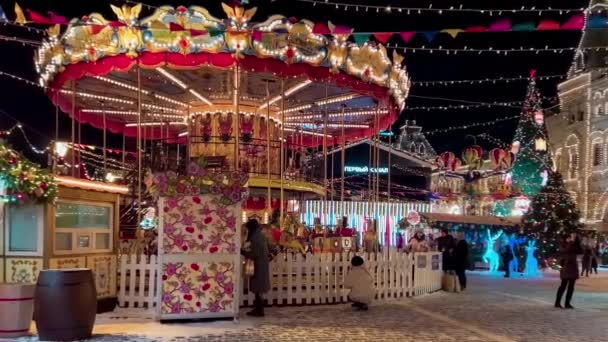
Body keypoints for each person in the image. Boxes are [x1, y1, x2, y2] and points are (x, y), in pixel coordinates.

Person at [241, 219, 270, 317]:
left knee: (258, 287)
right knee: (258, 287)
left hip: (258, 265)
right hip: (261, 264)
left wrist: (244, 252)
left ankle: (259, 309)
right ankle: (258, 308)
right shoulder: (259, 235)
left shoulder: (256, 237)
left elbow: (254, 253)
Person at [555, 232, 583, 309]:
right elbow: (566, 250)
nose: (572, 237)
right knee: (563, 285)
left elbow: (580, 251)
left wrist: (576, 241)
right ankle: (557, 302)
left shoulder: (576, 245)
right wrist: (571, 242)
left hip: (573, 266)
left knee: (571, 286)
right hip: (566, 266)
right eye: (571, 236)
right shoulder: (566, 244)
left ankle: (567, 303)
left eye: (574, 236)